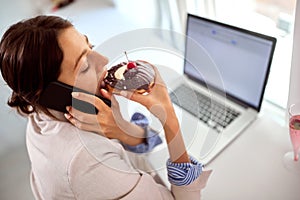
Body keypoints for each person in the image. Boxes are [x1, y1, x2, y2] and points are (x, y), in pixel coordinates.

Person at [0, 15, 211, 199]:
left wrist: (119, 129)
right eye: (84, 66)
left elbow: (147, 141)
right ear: (54, 94)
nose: (104, 61)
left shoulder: (40, 111)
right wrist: (169, 117)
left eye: (90, 47)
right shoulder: (88, 162)